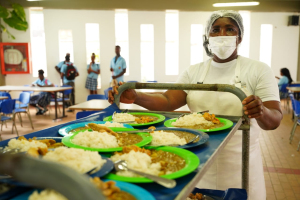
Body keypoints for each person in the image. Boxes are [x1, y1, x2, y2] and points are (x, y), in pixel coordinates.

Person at [108, 10, 282, 200]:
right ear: (208, 36)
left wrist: (261, 111)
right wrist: (136, 96)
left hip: (241, 166)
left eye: (229, 29)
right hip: (201, 162)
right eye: (216, 30)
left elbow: (274, 119)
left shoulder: (258, 69)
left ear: (239, 37)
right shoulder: (194, 72)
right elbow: (168, 101)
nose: (222, 35)